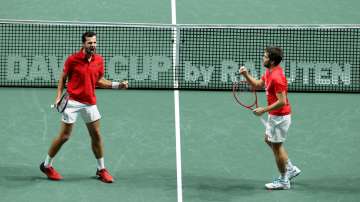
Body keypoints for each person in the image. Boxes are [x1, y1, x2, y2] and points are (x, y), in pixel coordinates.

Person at [40, 31, 128, 183]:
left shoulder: (99, 60)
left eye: (94, 42)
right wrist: (58, 96)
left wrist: (116, 85)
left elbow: (99, 80)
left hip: (89, 102)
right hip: (72, 102)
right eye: (89, 43)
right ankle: (46, 165)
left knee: (96, 135)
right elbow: (63, 78)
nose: (93, 45)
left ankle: (101, 169)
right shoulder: (72, 60)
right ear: (83, 44)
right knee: (64, 137)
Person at [239, 46, 301, 190]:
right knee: (269, 140)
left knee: (277, 148)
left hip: (280, 117)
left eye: (265, 56)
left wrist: (263, 110)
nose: (263, 58)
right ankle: (290, 168)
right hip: (275, 116)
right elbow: (258, 85)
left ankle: (284, 180)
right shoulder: (269, 72)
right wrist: (246, 74)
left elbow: (282, 101)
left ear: (272, 61)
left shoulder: (277, 77)